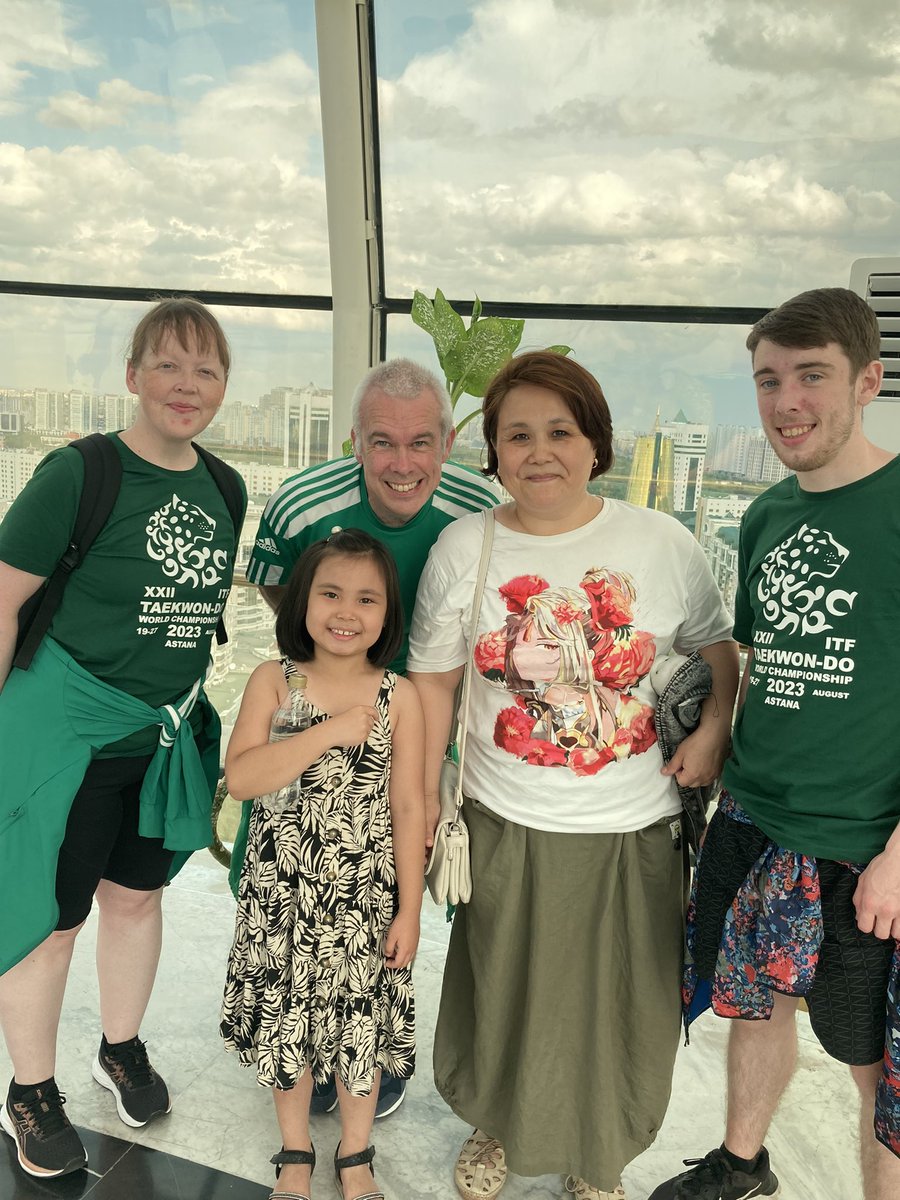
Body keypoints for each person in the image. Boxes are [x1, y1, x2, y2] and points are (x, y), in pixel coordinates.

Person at [407, 351, 738, 1200]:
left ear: (597, 443)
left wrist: (713, 730)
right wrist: (419, 796)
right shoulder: (464, 547)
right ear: (492, 452)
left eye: (561, 430)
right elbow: (435, 688)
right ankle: (498, 1125)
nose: (539, 451)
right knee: (504, 991)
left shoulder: (659, 541)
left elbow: (714, 651)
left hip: (636, 826)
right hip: (506, 819)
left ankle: (600, 1158)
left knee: (622, 1006)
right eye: (517, 434)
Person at [648, 287, 900, 1200]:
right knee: (754, 1005)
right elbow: (755, 656)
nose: (787, 401)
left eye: (812, 377)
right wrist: (716, 727)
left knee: (877, 1066)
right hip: (756, 817)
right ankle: (741, 1164)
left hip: (862, 839)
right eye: (768, 380)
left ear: (868, 381)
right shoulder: (766, 517)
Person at [0, 298, 246, 1179]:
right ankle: (31, 1091)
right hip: (67, 735)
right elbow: (3, 604)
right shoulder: (77, 474)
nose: (188, 385)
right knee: (51, 922)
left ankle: (121, 1046)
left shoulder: (224, 486)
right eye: (169, 365)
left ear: (223, 387)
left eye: (207, 369)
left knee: (137, 899)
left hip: (158, 737)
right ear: (133, 374)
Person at [242, 356, 497, 1117]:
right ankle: (295, 1044)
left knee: (391, 890)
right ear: (354, 440)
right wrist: (339, 657)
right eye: (382, 442)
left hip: (422, 723)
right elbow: (279, 588)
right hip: (320, 723)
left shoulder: (481, 508)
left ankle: (367, 1050)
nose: (402, 462)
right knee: (291, 891)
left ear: (449, 444)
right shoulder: (299, 502)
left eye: (421, 443)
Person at [220, 529, 424, 1200]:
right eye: (330, 592)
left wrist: (412, 913)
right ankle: (296, 1149)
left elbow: (409, 809)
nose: (346, 612)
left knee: (358, 1026)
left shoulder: (401, 697)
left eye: (366, 599)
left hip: (364, 903)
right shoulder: (273, 680)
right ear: (302, 599)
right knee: (287, 1023)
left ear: (386, 613)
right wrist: (325, 733)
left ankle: (357, 1152)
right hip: (283, 896)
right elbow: (245, 778)